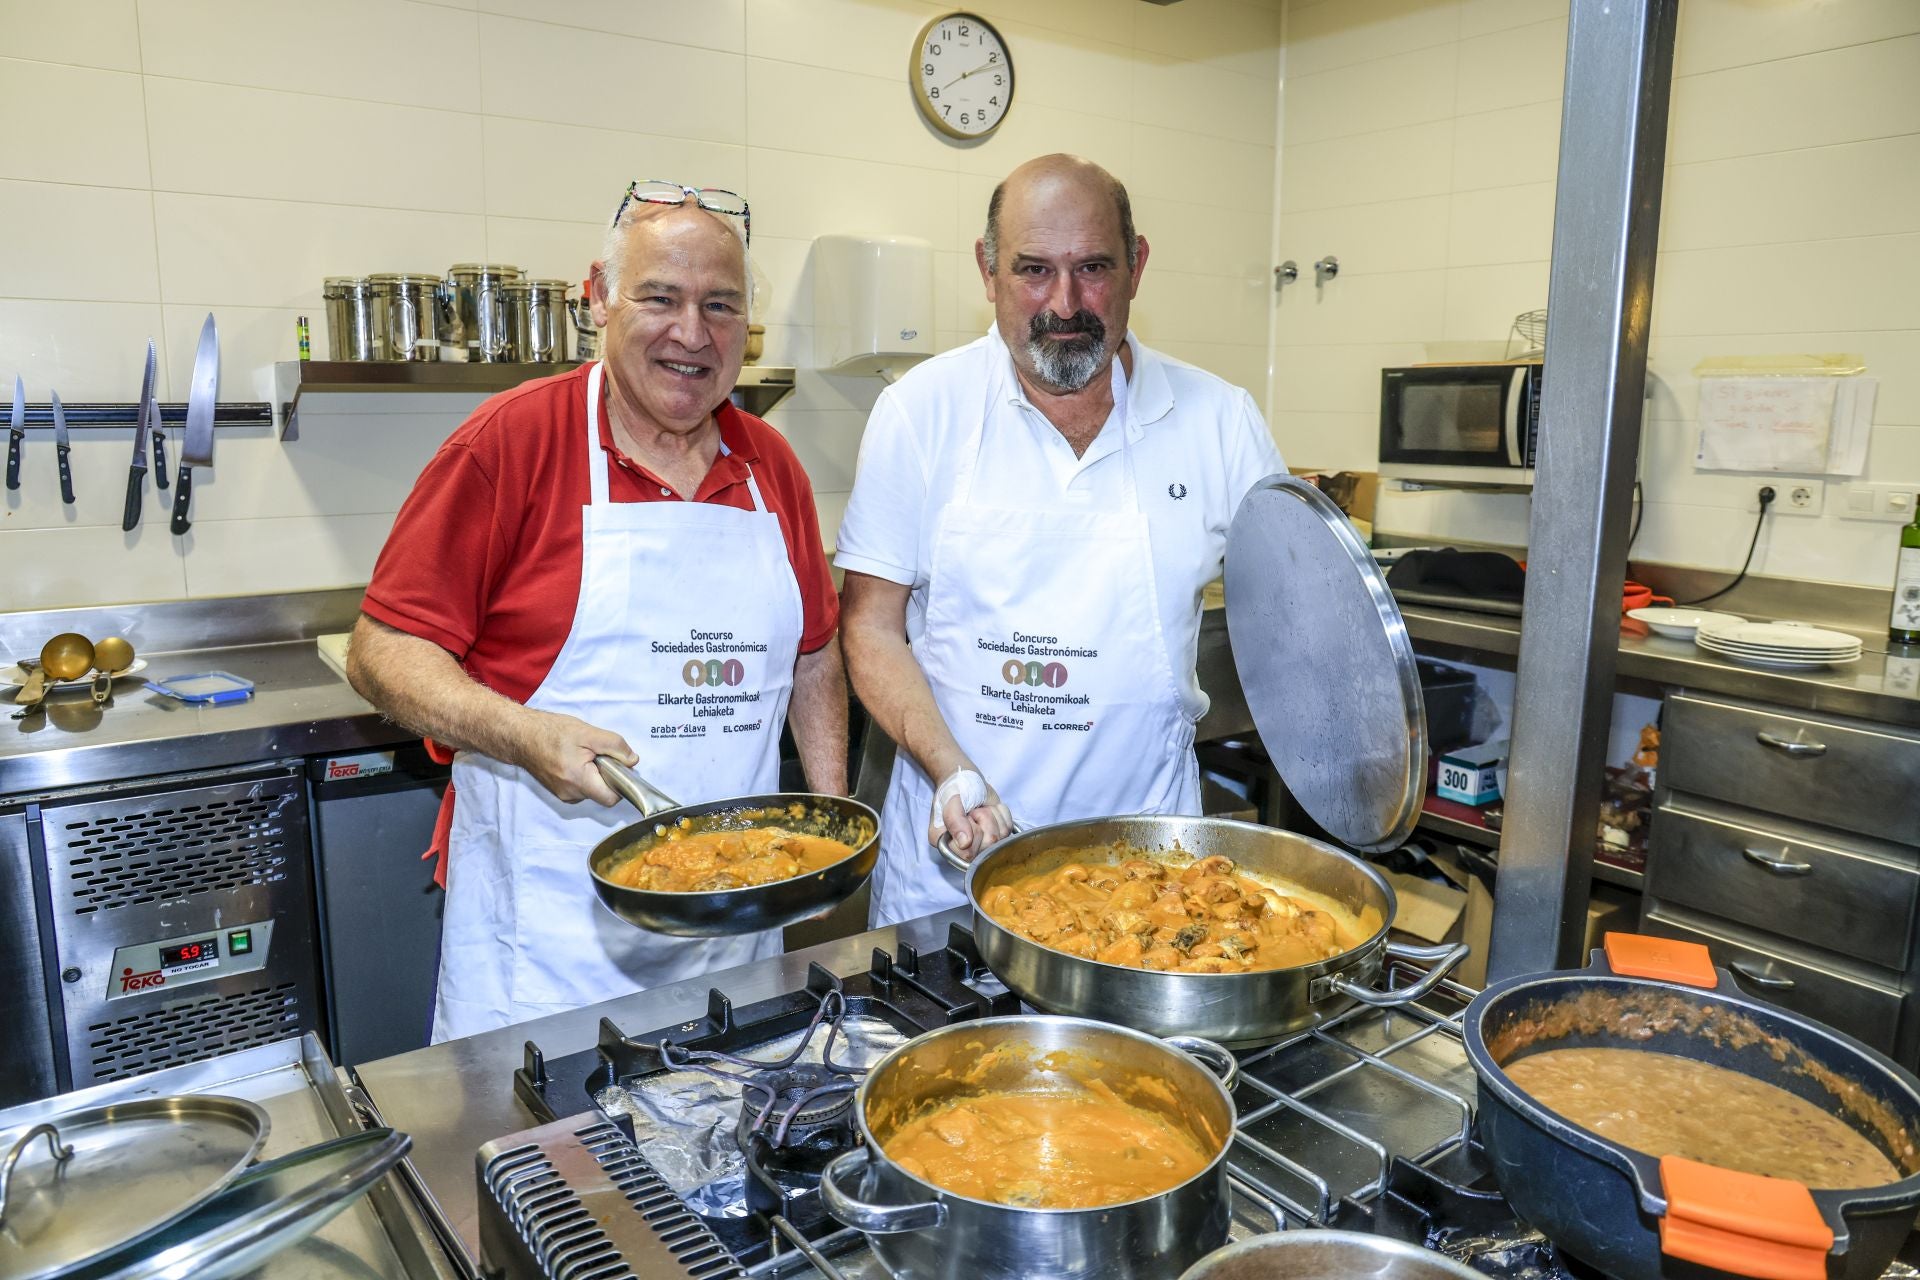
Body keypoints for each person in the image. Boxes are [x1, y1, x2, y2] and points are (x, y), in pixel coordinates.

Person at [347, 181, 846, 1041]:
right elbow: (382, 649)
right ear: (599, 299)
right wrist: (524, 734)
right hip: (549, 944)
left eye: (721, 306)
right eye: (661, 297)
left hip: (735, 932)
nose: (692, 333)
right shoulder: (508, 445)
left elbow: (813, 655)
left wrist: (832, 834)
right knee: (556, 1168)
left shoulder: (773, 467)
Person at [834, 153, 1285, 926]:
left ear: (1137, 266)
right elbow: (870, 626)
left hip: (1150, 884)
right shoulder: (923, 411)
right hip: (952, 873)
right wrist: (952, 774)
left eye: (1094, 268)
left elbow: (1300, 624)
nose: (1065, 302)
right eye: (1034, 270)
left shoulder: (1220, 422)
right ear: (987, 269)